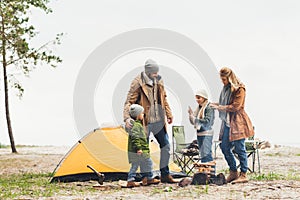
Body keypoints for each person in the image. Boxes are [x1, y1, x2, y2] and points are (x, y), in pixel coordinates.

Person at [123, 59, 177, 183]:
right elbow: (129, 102)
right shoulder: (137, 82)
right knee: (144, 150)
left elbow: (164, 98)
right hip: (145, 122)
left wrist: (169, 113)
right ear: (147, 71)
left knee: (166, 146)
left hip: (159, 120)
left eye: (157, 72)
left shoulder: (160, 80)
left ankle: (165, 174)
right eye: (154, 72)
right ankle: (147, 177)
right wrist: (127, 118)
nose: (156, 74)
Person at [211, 67, 254, 184]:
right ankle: (233, 171)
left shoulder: (239, 89)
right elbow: (225, 104)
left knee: (240, 148)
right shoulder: (226, 89)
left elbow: (236, 106)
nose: (223, 82)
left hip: (238, 122)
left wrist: (220, 107)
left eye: (224, 79)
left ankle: (244, 174)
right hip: (227, 123)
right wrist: (214, 104)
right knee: (224, 146)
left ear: (230, 78)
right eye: (222, 80)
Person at [127, 104, 160, 187]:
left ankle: (146, 178)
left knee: (141, 164)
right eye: (142, 113)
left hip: (141, 150)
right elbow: (135, 138)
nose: (143, 115)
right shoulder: (136, 125)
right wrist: (138, 148)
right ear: (138, 115)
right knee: (148, 163)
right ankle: (133, 179)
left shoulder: (137, 124)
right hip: (139, 151)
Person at [188, 89, 215, 163]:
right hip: (200, 133)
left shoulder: (209, 107)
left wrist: (195, 119)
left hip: (206, 133)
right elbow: (194, 121)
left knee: (207, 155)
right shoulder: (199, 108)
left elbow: (207, 121)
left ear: (204, 97)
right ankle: (205, 173)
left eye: (199, 97)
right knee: (203, 155)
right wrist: (191, 115)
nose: (197, 100)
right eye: (196, 98)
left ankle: (211, 173)